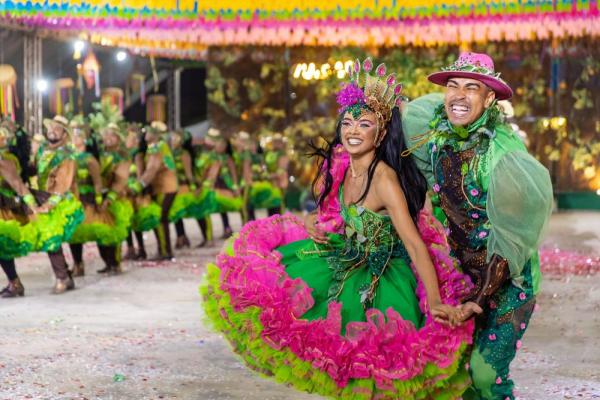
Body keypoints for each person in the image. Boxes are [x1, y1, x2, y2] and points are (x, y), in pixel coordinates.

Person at [202, 58, 474, 399]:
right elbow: (341, 216)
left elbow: (415, 244)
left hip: (383, 277)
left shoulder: (384, 178)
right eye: (347, 123)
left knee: (373, 372)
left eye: (364, 124)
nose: (353, 131)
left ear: (383, 131)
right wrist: (315, 222)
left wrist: (434, 301)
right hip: (345, 258)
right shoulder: (346, 169)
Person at [402, 52, 554, 400]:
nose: (459, 95)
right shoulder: (435, 135)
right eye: (453, 86)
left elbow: (508, 245)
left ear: (489, 99)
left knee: (485, 375)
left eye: (473, 88)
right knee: (453, 377)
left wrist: (479, 299)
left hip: (508, 282)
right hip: (459, 275)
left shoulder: (505, 157)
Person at [34, 115, 84, 294]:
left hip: (59, 200)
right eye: (50, 127)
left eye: (57, 128)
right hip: (43, 196)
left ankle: (63, 277)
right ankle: (66, 276)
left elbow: (63, 182)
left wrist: (49, 204)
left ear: (64, 134)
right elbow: (37, 171)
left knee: (52, 238)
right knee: (51, 240)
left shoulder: (67, 153)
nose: (52, 131)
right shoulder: (44, 150)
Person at [137, 121, 178, 261]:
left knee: (160, 218)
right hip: (165, 187)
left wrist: (139, 185)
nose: (145, 134)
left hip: (165, 188)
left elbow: (152, 169)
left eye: (147, 131)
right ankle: (164, 250)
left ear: (154, 134)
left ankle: (165, 251)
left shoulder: (156, 148)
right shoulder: (159, 147)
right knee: (161, 218)